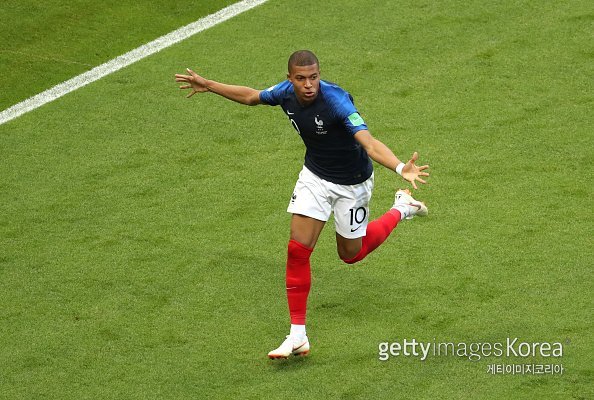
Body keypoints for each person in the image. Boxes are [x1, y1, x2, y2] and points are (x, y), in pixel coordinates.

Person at [175, 50, 429, 359]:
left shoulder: (336, 102)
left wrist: (401, 168)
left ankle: (402, 206)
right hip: (315, 177)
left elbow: (370, 142)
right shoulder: (284, 94)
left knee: (351, 254)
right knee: (297, 249)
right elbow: (252, 96)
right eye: (301, 79)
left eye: (313, 77)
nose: (308, 85)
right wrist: (209, 85)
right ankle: (297, 335)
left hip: (353, 183)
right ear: (290, 79)